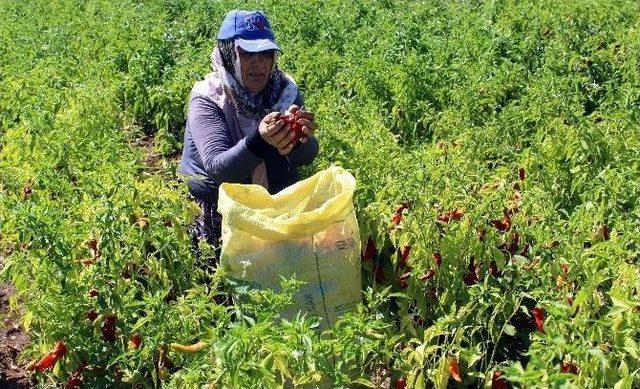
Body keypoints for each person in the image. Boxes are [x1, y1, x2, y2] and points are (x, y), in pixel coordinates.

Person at [179, 10, 319, 264]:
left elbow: (305, 158)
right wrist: (261, 140)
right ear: (229, 55)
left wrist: (301, 138)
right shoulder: (208, 98)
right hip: (219, 211)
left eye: (265, 54)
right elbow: (219, 168)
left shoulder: (284, 92)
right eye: (247, 54)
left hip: (274, 204)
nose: (259, 63)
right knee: (221, 290)